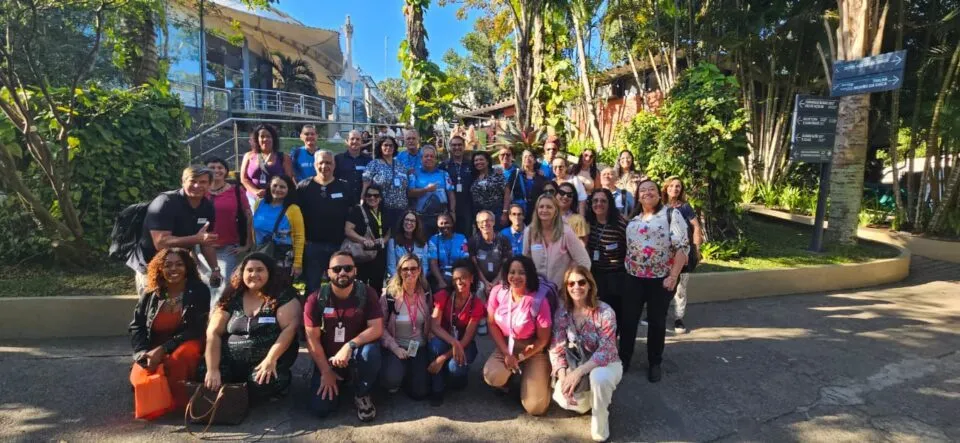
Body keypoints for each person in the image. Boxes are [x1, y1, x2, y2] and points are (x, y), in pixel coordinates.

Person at [202, 252, 302, 401]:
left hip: (266, 362)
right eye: (249, 270)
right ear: (242, 273)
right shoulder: (232, 296)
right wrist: (213, 369)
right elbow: (213, 332)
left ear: (270, 272)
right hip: (230, 361)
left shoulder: (283, 297)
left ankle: (278, 383)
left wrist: (270, 360)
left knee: (260, 384)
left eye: (260, 270)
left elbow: (290, 329)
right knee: (203, 374)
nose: (254, 274)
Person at [303, 252, 383, 421]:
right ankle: (338, 379)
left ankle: (362, 392)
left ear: (355, 271)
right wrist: (326, 371)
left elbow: (376, 328)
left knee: (371, 353)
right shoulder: (315, 299)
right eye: (337, 269)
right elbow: (312, 339)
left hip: (356, 355)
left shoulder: (367, 293)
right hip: (329, 360)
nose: (342, 273)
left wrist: (349, 346)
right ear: (328, 272)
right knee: (321, 409)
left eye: (347, 268)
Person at [623, 179, 689, 381]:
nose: (647, 193)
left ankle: (654, 362)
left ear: (659, 194)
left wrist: (673, 276)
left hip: (660, 280)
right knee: (628, 321)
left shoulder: (671, 214)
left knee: (657, 322)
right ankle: (623, 359)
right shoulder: (634, 217)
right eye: (642, 190)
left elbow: (682, 247)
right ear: (638, 196)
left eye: (651, 189)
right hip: (633, 278)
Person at [129, 248, 210, 410]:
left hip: (187, 340)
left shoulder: (199, 290)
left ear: (187, 267)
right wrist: (141, 352)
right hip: (154, 344)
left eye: (179, 264)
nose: (174, 269)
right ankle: (158, 403)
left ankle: (181, 404)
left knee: (178, 359)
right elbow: (137, 325)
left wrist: (164, 349)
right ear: (160, 268)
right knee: (141, 375)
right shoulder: (151, 294)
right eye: (168, 265)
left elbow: (196, 329)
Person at [549, 266, 622, 442]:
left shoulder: (605, 311)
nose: (576, 287)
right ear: (566, 287)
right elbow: (556, 348)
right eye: (571, 283)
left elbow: (607, 349)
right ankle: (596, 398)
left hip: (606, 363)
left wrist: (578, 373)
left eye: (581, 282)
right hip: (577, 361)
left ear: (590, 285)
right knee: (563, 398)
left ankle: (600, 421)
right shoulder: (562, 313)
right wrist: (563, 377)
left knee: (599, 379)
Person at [131, 165, 219, 296]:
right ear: (183, 182)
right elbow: (161, 243)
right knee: (155, 306)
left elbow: (206, 242)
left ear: (210, 184)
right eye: (193, 181)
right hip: (152, 265)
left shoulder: (207, 207)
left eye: (203, 182)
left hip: (181, 266)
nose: (197, 185)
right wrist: (196, 239)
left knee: (183, 305)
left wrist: (215, 269)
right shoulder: (166, 202)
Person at [482, 256, 553, 416]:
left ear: (529, 275)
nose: (516, 277)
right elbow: (492, 323)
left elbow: (543, 339)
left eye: (522, 272)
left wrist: (520, 357)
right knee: (492, 376)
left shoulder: (538, 301)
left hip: (534, 349)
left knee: (535, 408)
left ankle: (541, 377)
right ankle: (512, 379)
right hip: (508, 346)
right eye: (512, 272)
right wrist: (507, 354)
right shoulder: (498, 292)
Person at [428, 259, 485, 405]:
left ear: (472, 279)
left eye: (463, 277)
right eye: (456, 278)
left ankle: (453, 375)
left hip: (465, 345)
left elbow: (467, 339)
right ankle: (437, 389)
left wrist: (442, 358)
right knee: (435, 345)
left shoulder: (477, 304)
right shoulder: (444, 296)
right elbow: (434, 326)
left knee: (455, 369)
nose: (459, 282)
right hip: (446, 340)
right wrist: (453, 342)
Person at [297, 150, 353, 293]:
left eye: (328, 163)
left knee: (338, 286)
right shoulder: (303, 186)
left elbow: (352, 213)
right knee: (312, 286)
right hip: (312, 246)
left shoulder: (344, 186)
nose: (324, 166)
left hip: (338, 245)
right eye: (321, 163)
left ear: (334, 165)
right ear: (315, 165)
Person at [379, 253, 433, 400]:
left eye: (413, 268)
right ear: (399, 271)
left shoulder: (426, 292)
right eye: (405, 269)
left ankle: (410, 373)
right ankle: (400, 373)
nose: (409, 272)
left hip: (418, 346)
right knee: (391, 380)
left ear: (419, 270)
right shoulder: (389, 296)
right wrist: (394, 348)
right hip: (397, 347)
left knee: (420, 393)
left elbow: (431, 318)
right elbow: (380, 327)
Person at [203, 157, 253, 306]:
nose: (216, 170)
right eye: (212, 167)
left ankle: (216, 317)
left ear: (226, 171)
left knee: (224, 287)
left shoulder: (236, 191)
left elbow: (248, 216)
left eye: (220, 167)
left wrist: (247, 244)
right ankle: (206, 317)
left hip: (228, 247)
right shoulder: (200, 190)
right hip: (202, 247)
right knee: (206, 286)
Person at [662, 176, 703, 335]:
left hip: (683, 253)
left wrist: (696, 249)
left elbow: (696, 227)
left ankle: (678, 318)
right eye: (671, 185)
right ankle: (659, 312)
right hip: (664, 254)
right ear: (666, 188)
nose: (674, 189)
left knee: (681, 286)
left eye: (678, 186)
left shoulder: (685, 207)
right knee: (661, 284)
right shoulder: (660, 206)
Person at [523, 194, 591, 287]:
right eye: (541, 207)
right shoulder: (529, 231)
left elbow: (584, 261)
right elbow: (525, 261)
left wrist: (574, 284)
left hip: (561, 290)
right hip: (537, 290)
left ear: (556, 211)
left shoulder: (566, 232)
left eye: (549, 207)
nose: (544, 210)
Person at [585, 188, 628, 334]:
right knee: (597, 313)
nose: (599, 204)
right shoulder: (588, 223)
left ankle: (613, 342)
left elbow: (629, 247)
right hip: (595, 274)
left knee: (614, 314)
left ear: (610, 203)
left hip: (616, 276)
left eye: (603, 201)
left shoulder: (620, 224)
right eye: (595, 201)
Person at [252, 175, 304, 286]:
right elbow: (252, 227)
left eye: (282, 187)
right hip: (261, 254)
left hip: (282, 258)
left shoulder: (293, 209)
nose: (278, 189)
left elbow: (299, 237)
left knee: (279, 289)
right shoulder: (259, 203)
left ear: (288, 190)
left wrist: (297, 263)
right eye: (275, 185)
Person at [345, 184, 389, 295]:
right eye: (369, 195)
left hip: (379, 255)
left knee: (377, 287)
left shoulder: (385, 212)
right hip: (361, 255)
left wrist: (383, 240)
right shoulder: (357, 210)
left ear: (380, 198)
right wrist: (363, 240)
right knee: (359, 287)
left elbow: (389, 231)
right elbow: (348, 230)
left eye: (376, 195)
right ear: (364, 197)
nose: (372, 198)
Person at [239, 123, 295, 205]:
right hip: (252, 199)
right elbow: (244, 178)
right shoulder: (249, 156)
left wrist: (272, 192)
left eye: (268, 136)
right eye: (262, 136)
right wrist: (256, 191)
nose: (265, 139)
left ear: (273, 139)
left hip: (276, 199)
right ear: (257, 139)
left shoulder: (284, 157)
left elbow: (288, 179)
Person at [362, 136, 409, 230]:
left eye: (391, 145)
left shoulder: (401, 165)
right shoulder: (373, 164)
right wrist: (362, 200)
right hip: (382, 210)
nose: (388, 147)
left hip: (401, 209)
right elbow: (366, 185)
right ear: (380, 147)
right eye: (385, 145)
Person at [408, 146, 455, 238]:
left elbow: (451, 194)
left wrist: (452, 211)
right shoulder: (414, 174)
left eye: (432, 156)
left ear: (435, 159)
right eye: (426, 156)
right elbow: (410, 193)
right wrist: (426, 190)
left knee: (441, 242)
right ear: (421, 158)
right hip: (421, 217)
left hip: (441, 218)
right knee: (422, 242)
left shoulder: (444, 174)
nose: (429, 158)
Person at [469, 210, 513, 295]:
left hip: (500, 277)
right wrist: (485, 283)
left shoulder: (503, 240)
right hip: (480, 280)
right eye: (481, 222)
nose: (485, 224)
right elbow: (475, 266)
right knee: (480, 290)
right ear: (478, 225)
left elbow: (505, 264)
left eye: (487, 220)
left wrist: (495, 282)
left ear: (493, 222)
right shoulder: (473, 241)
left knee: (503, 290)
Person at [386, 210, 438, 281]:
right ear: (402, 222)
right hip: (398, 280)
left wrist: (417, 280)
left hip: (418, 280)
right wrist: (400, 281)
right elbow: (391, 266)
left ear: (416, 224)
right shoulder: (393, 242)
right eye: (407, 220)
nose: (409, 223)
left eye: (412, 221)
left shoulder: (423, 243)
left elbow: (424, 266)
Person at [504, 149, 549, 225]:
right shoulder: (516, 174)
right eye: (525, 157)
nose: (527, 159)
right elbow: (507, 192)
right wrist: (505, 211)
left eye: (530, 156)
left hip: (536, 212)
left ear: (534, 160)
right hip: (519, 212)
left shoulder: (541, 176)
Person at [440, 135, 474, 235]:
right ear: (450, 147)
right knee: (448, 235)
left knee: (466, 235)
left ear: (464, 146)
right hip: (448, 207)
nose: (457, 147)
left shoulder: (471, 164)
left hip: (467, 207)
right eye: (454, 145)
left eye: (459, 145)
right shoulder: (443, 165)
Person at [428, 212, 469, 291]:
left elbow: (465, 260)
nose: (444, 226)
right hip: (440, 275)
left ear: (452, 224)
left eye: (447, 223)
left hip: (458, 274)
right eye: (441, 223)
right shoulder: (433, 239)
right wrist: (441, 281)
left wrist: (457, 278)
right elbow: (433, 263)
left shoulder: (461, 238)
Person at [470, 151, 507, 231]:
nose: (478, 162)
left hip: (496, 212)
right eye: (476, 160)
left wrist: (505, 212)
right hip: (479, 214)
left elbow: (507, 193)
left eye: (481, 159)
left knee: (497, 236)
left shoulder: (497, 174)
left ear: (487, 161)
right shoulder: (473, 176)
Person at [335, 130, 373, 202]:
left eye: (358, 139)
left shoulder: (369, 159)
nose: (355, 141)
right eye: (352, 139)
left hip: (363, 199)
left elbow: (371, 179)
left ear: (361, 142)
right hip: (342, 200)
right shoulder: (338, 159)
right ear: (347, 141)